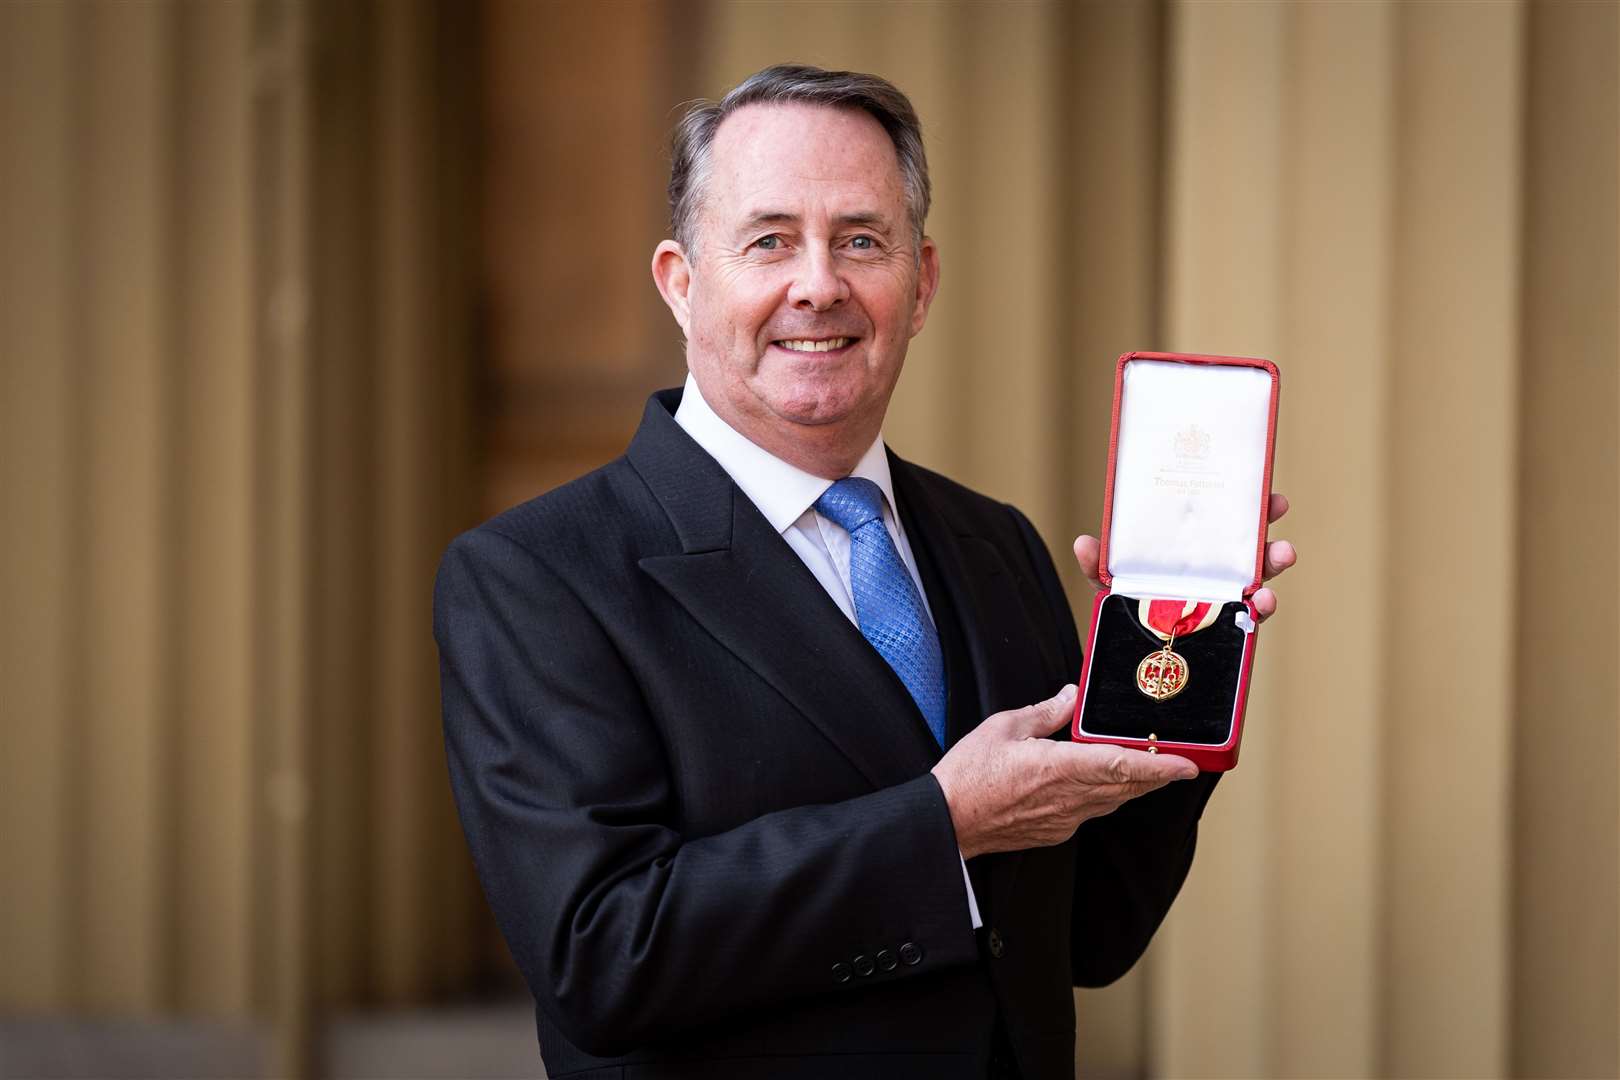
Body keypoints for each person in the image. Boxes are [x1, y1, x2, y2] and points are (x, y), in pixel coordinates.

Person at [434, 64, 1295, 1080]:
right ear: (680, 281)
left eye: (860, 239)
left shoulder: (996, 545)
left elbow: (1091, 937)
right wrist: (941, 826)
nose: (818, 283)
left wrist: (1175, 671)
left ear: (921, 283)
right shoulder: (535, 577)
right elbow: (603, 957)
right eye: (768, 240)